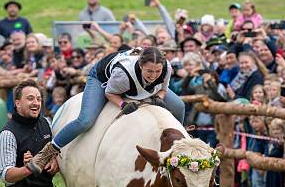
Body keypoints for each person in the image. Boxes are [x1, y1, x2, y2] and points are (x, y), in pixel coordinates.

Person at [28, 47, 186, 174]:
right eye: (149, 71)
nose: (153, 75)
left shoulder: (166, 68)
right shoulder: (123, 75)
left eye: (157, 71)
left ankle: (182, 144)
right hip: (103, 79)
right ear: (140, 65)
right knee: (85, 120)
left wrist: (158, 97)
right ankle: (46, 153)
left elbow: (163, 90)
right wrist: (123, 105)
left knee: (179, 106)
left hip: (138, 86)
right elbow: (110, 93)